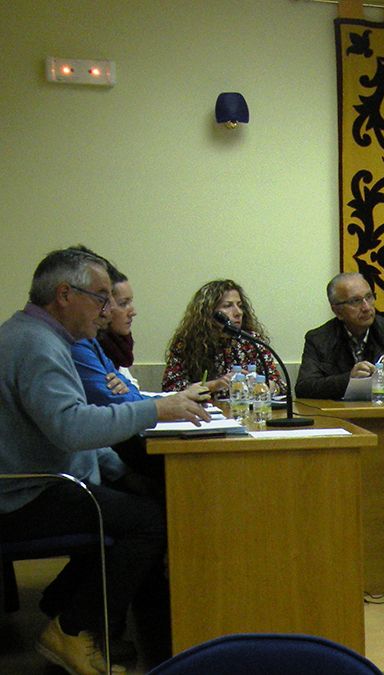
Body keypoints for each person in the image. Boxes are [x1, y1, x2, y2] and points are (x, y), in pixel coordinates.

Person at [0, 248, 209, 674]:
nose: (105, 309)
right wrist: (156, 409)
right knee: (148, 520)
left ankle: (66, 607)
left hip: (35, 481)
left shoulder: (33, 335)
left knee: (134, 500)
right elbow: (72, 429)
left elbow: (65, 430)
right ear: (63, 294)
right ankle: (72, 629)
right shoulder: (39, 345)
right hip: (21, 495)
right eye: (99, 297)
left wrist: (121, 471)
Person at [70, 252, 163, 484]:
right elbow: (111, 398)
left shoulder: (98, 343)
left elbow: (129, 389)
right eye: (122, 303)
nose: (131, 310)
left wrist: (129, 391)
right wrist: (161, 406)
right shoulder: (80, 342)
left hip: (103, 455)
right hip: (88, 468)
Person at [296, 272, 384, 400]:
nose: (366, 307)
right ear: (337, 311)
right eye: (356, 301)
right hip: (338, 415)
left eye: (369, 297)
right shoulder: (318, 339)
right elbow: (304, 388)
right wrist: (348, 379)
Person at [161, 279, 286, 395]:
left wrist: (266, 386)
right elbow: (171, 390)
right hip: (204, 415)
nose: (238, 312)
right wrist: (215, 385)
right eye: (227, 306)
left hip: (247, 411)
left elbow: (281, 385)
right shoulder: (187, 343)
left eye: (240, 305)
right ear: (209, 312)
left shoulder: (251, 340)